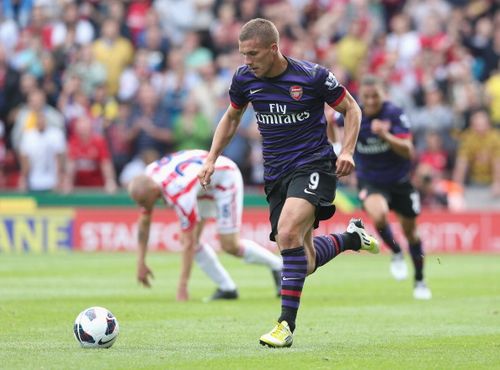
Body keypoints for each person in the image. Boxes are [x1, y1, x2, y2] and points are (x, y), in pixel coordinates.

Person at [197, 18, 379, 348]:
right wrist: (211, 157)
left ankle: (285, 325)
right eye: (242, 54)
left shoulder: (312, 76)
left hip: (314, 165)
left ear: (273, 48)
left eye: (252, 53)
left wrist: (348, 151)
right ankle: (351, 238)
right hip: (276, 174)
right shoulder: (243, 79)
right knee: (302, 261)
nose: (246, 61)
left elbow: (351, 109)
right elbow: (232, 117)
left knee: (288, 232)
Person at [128, 149, 283, 302]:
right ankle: (227, 288)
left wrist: (182, 287)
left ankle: (278, 265)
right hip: (201, 180)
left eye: (142, 202)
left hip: (224, 178)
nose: (141, 206)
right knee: (191, 241)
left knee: (229, 245)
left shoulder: (180, 193)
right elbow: (144, 222)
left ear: (155, 190)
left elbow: (188, 243)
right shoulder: (148, 175)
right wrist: (141, 262)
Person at [347, 75, 432, 300]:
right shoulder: (354, 111)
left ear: (383, 94)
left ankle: (420, 280)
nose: (371, 101)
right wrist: (341, 147)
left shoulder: (394, 114)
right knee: (379, 215)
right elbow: (334, 124)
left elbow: (408, 150)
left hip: (400, 181)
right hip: (370, 180)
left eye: (375, 96)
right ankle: (395, 252)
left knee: (411, 233)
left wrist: (385, 135)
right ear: (361, 97)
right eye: (367, 97)